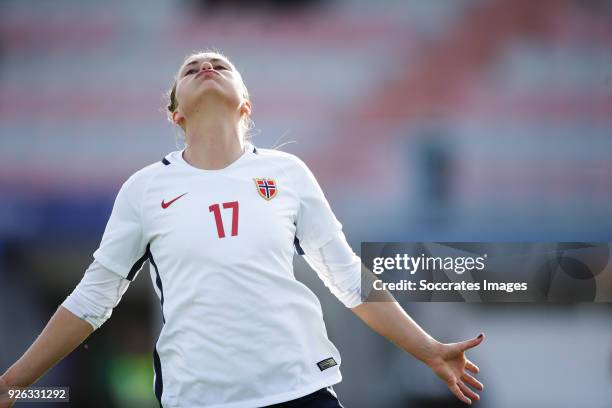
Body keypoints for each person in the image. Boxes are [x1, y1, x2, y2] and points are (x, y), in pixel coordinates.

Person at [0, 51, 484, 408]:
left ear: (246, 105)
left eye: (220, 65)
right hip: (198, 400)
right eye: (191, 69)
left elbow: (346, 276)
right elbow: (90, 301)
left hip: (303, 391)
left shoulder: (288, 173)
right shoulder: (143, 190)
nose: (206, 67)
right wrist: (12, 383)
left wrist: (426, 347)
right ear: (176, 114)